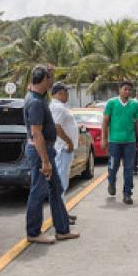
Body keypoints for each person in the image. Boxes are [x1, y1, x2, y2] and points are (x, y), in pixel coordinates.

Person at [24, 66, 79, 244]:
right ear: (44, 80)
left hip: (46, 149)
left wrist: (46, 69)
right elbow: (37, 133)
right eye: (50, 79)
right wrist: (45, 161)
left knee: (56, 189)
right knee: (38, 191)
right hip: (41, 151)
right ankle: (33, 232)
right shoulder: (35, 103)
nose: (52, 82)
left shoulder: (38, 97)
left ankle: (62, 229)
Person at [101, 81, 138, 205]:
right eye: (125, 89)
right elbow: (105, 122)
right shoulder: (111, 103)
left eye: (129, 90)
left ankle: (127, 194)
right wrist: (104, 138)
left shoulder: (135, 105)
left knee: (129, 168)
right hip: (114, 142)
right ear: (119, 90)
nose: (127, 92)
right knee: (113, 167)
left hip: (130, 143)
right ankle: (111, 182)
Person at [50, 82, 80, 219]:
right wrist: (68, 142)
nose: (68, 94)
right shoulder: (57, 107)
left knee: (63, 183)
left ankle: (63, 213)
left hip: (64, 149)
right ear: (59, 93)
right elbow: (57, 127)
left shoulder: (61, 106)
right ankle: (60, 216)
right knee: (61, 184)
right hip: (62, 149)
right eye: (66, 91)